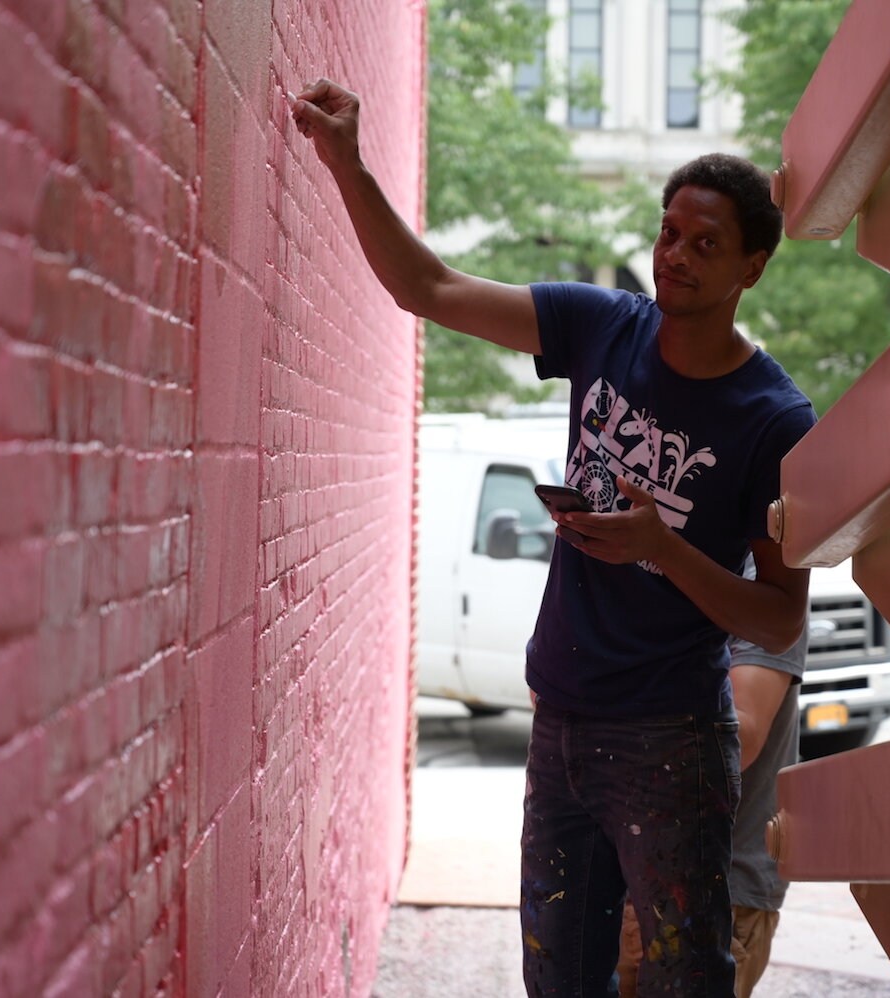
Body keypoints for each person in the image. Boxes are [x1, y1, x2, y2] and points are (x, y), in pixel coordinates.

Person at [290, 79, 815, 998]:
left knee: (686, 982)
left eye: (706, 244)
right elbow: (430, 285)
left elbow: (778, 619)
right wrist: (348, 164)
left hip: (673, 738)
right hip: (561, 717)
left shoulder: (774, 420)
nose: (675, 257)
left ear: (753, 267)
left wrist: (663, 548)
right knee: (561, 981)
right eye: (668, 232)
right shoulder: (600, 326)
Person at [616, 556, 805, 998]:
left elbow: (741, 737)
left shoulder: (763, 583)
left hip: (717, 885)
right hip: (627, 873)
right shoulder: (639, 561)